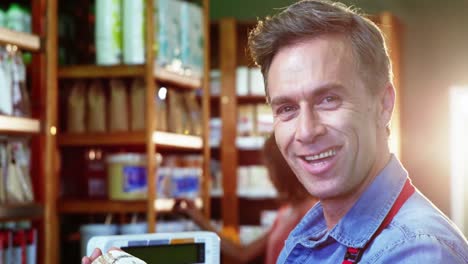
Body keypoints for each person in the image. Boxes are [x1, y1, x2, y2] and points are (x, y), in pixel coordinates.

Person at [247, 0, 468, 263]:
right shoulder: (312, 233)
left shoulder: (418, 251)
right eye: (287, 108)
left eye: (328, 99)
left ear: (383, 104)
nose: (306, 131)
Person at [173, 134, 317, 264]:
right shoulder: (285, 213)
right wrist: (199, 219)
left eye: (270, 169)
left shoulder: (312, 213)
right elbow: (243, 254)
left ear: (283, 170)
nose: (269, 177)